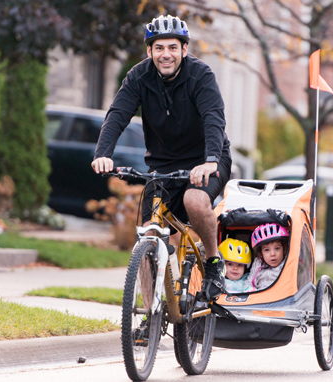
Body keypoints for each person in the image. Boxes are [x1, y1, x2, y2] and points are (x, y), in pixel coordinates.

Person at [91, 14, 231, 300]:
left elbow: (213, 118)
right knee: (148, 237)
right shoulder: (139, 77)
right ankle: (150, 311)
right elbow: (118, 115)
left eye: (172, 47)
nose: (165, 54)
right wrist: (103, 153)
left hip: (205, 160)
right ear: (149, 51)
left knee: (194, 200)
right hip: (163, 166)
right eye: (158, 48)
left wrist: (211, 159)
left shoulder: (200, 76)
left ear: (184, 49)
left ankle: (214, 262)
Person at [250, 223, 289, 290]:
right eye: (267, 250)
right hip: (258, 296)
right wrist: (251, 291)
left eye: (277, 248)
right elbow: (249, 282)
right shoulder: (258, 263)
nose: (272, 254)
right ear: (261, 254)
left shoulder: (287, 263)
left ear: (284, 249)